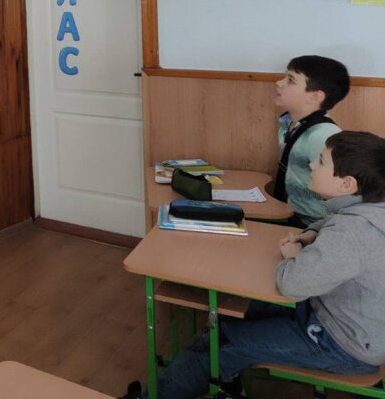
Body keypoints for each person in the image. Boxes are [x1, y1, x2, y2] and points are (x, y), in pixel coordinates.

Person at [122, 131, 385, 399]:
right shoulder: (371, 210)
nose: (312, 164)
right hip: (346, 321)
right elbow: (330, 225)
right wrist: (310, 234)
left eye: (321, 161)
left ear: (346, 184)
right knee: (234, 310)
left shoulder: (351, 232)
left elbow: (291, 284)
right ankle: (218, 380)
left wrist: (293, 256)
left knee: (221, 345)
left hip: (343, 344)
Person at [273, 56, 350, 226]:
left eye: (291, 80)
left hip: (313, 225)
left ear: (315, 97)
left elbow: (341, 195)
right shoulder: (288, 125)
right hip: (289, 214)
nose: (279, 82)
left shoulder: (322, 136)